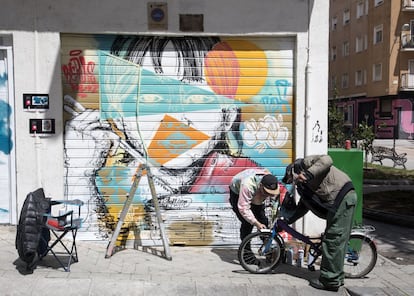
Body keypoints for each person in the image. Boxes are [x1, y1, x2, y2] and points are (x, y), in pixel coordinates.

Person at [282, 155, 357, 292]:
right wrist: (287, 220)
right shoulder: (303, 186)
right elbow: (304, 206)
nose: (293, 182)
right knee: (333, 239)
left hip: (342, 197)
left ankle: (330, 281)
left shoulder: (306, 164)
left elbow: (327, 160)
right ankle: (337, 277)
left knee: (333, 240)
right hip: (335, 202)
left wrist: (307, 174)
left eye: (292, 178)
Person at [229, 168, 280, 241]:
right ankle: (246, 250)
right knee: (247, 223)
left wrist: (274, 218)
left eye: (270, 194)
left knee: (263, 221)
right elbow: (243, 208)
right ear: (261, 186)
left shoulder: (272, 182)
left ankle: (266, 247)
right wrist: (256, 223)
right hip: (237, 190)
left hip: (257, 190)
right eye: (266, 193)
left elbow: (275, 203)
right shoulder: (248, 185)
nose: (268, 195)